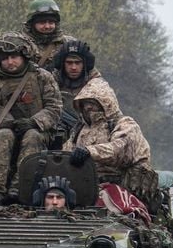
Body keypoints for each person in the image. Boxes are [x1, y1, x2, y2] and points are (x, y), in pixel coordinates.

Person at [0, 32, 62, 204]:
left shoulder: (42, 77)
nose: (10, 62)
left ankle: (20, 188)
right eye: (5, 58)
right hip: (3, 131)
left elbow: (54, 108)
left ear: (24, 56)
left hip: (38, 131)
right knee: (4, 135)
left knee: (32, 136)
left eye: (14, 57)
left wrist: (34, 122)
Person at [63, 77, 160, 211]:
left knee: (109, 206)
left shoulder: (124, 124)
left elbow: (120, 150)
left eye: (93, 102)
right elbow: (66, 154)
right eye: (85, 103)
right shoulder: (79, 129)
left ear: (106, 103)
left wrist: (89, 151)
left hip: (120, 186)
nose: (88, 106)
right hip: (85, 185)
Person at [22, 0, 76, 71]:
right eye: (42, 22)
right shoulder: (21, 45)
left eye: (51, 22)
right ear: (32, 23)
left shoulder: (69, 43)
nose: (47, 26)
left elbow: (92, 74)